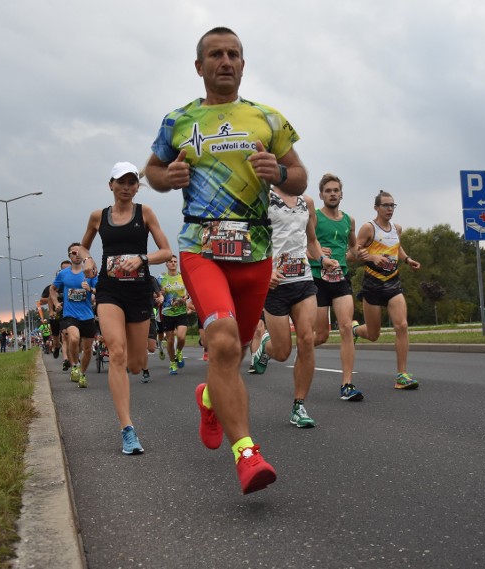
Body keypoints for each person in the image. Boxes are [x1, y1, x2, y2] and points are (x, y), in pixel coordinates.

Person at [144, 26, 307, 494]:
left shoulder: (267, 118)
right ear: (200, 66)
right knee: (223, 341)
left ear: (242, 63)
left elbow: (298, 175)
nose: (226, 61)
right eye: (215, 54)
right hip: (200, 247)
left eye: (234, 54)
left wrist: (280, 172)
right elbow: (152, 169)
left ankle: (210, 395)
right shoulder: (178, 120)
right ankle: (247, 455)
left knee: (230, 355)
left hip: (254, 251)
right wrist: (166, 175)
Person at [80, 161, 172, 455]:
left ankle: (133, 367)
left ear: (137, 187)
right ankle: (127, 429)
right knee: (116, 352)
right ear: (111, 185)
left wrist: (143, 259)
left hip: (139, 291)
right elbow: (83, 247)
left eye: (132, 182)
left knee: (135, 362)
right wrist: (89, 260)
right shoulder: (98, 217)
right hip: (110, 290)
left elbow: (167, 251)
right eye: (121, 182)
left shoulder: (145, 213)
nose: (126, 187)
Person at [250, 187, 338, 427]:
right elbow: (251, 238)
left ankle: (299, 406)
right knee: (282, 352)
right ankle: (265, 348)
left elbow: (311, 240)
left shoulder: (306, 202)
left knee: (307, 339)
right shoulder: (264, 197)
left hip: (303, 280)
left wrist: (322, 259)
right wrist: (264, 272)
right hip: (274, 286)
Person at [353, 191, 422, 389]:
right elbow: (353, 252)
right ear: (376, 207)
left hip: (393, 282)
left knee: (402, 325)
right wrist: (372, 257)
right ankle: (355, 329)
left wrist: (407, 259)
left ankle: (401, 375)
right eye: (385, 205)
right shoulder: (368, 228)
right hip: (372, 284)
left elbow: (396, 247)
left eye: (392, 205)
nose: (390, 209)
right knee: (374, 335)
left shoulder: (397, 228)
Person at [310, 173, 362, 401]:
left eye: (336, 190)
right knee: (320, 336)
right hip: (317, 278)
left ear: (341, 194)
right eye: (328, 191)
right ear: (321, 195)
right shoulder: (315, 217)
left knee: (345, 327)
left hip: (341, 279)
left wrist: (354, 255)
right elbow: (305, 243)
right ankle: (285, 345)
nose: (332, 194)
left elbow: (354, 249)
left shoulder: (349, 220)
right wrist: (320, 253)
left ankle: (347, 385)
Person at [51, 243, 98, 388]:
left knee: (88, 349)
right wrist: (56, 303)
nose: (76, 255)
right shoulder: (63, 274)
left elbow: (100, 290)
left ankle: (82, 374)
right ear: (69, 255)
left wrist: (90, 289)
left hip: (87, 315)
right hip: (70, 314)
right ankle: (75, 365)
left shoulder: (91, 272)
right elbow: (53, 290)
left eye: (79, 253)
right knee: (74, 338)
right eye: (73, 252)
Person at [158, 255, 190, 376]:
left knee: (181, 337)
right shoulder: (161, 278)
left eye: (175, 262)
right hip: (167, 313)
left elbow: (188, 293)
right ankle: (172, 363)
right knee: (170, 341)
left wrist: (185, 298)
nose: (173, 263)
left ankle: (179, 352)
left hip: (181, 311)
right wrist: (159, 296)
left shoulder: (183, 277)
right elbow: (158, 293)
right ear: (166, 264)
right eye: (170, 262)